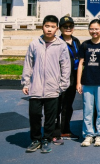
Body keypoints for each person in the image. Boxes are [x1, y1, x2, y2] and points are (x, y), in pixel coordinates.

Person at [22, 15, 70, 153]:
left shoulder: (61, 45)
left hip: (53, 88)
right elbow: (28, 64)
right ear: (42, 27)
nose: (49, 29)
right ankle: (36, 139)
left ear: (57, 29)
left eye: (52, 27)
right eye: (47, 26)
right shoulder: (34, 44)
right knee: (34, 115)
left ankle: (47, 140)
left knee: (51, 117)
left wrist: (62, 85)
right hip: (35, 88)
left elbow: (65, 66)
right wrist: (26, 83)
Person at [77, 19, 100, 148]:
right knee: (88, 109)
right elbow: (80, 64)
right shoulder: (85, 45)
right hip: (87, 82)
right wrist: (78, 82)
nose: (94, 31)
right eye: (91, 29)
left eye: (96, 29)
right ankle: (88, 134)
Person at [56, 16, 81, 142]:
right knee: (57, 106)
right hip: (61, 78)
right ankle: (55, 131)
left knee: (68, 105)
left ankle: (65, 130)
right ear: (60, 28)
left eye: (70, 26)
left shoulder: (76, 41)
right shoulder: (57, 42)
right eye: (65, 26)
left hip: (74, 77)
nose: (68, 28)